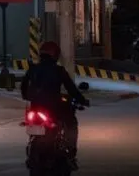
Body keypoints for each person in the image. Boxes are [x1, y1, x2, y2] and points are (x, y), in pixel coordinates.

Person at [21, 41, 89, 169]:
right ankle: (71, 153)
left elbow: (24, 87)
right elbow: (71, 89)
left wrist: (28, 96)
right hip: (53, 108)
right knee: (71, 122)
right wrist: (82, 100)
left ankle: (32, 154)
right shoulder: (59, 70)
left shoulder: (33, 69)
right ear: (55, 55)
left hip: (35, 108)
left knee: (32, 124)